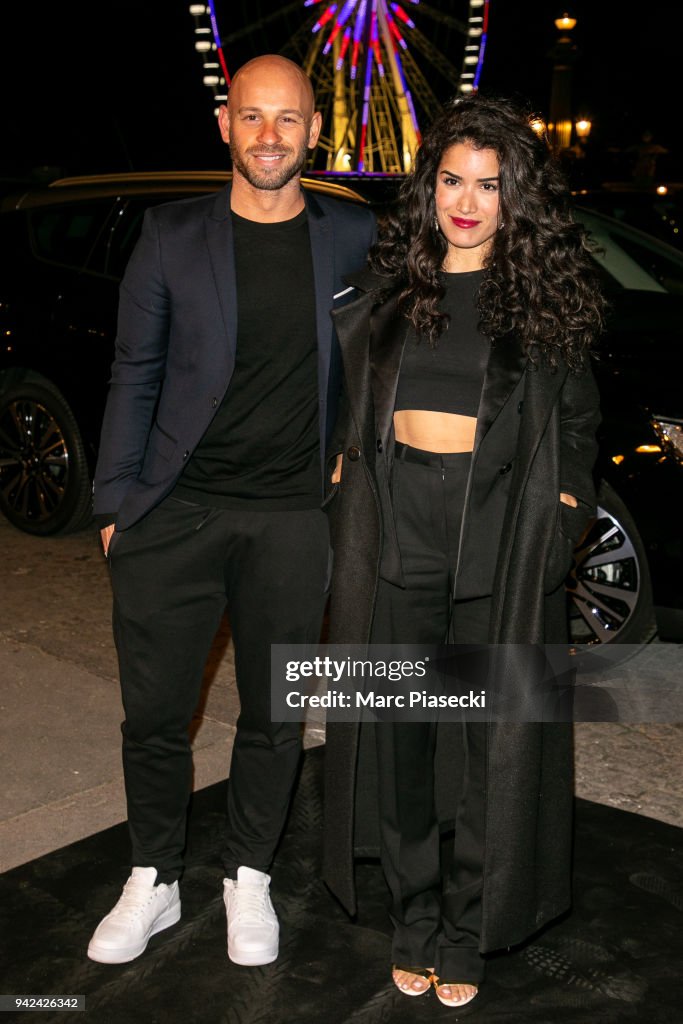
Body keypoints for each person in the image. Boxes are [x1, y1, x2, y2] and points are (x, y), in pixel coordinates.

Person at [87, 54, 375, 966]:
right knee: (155, 715)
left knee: (274, 714)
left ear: (314, 130)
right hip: (174, 514)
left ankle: (248, 875)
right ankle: (155, 876)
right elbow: (134, 370)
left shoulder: (351, 236)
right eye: (252, 117)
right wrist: (113, 505)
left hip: (293, 519)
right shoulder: (172, 235)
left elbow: (402, 340)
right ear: (225, 125)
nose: (269, 137)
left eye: (287, 120)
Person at [322, 94, 605, 1009]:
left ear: (514, 196)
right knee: (404, 745)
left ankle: (469, 926)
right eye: (452, 180)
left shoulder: (547, 304)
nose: (467, 200)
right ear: (428, 188)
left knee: (489, 750)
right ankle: (413, 915)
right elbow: (347, 419)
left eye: (488, 183)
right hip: (399, 539)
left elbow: (576, 428)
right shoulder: (388, 298)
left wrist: (557, 526)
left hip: (496, 548)